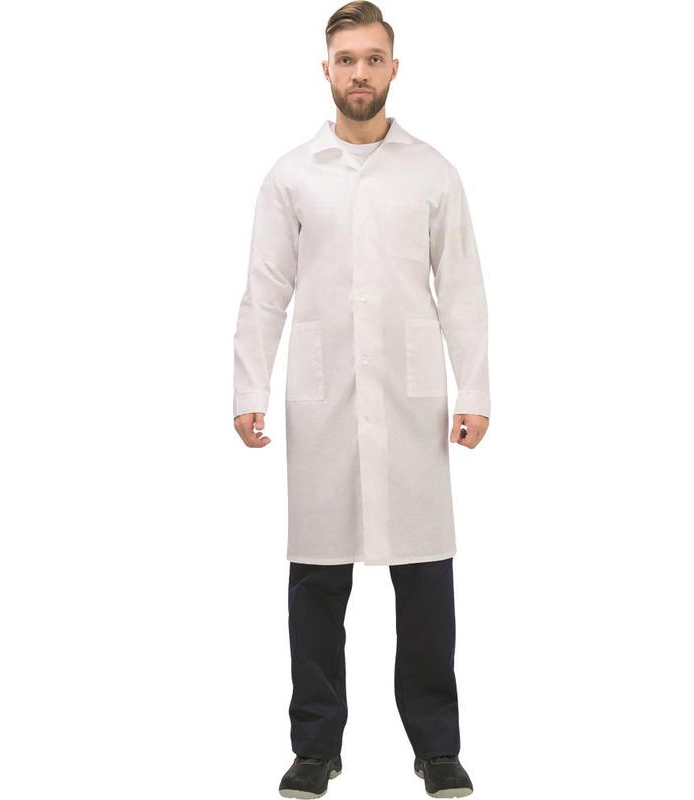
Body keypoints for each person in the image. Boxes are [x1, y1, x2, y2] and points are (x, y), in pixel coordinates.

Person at [232, 3, 489, 797]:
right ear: (326, 70)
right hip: (324, 401)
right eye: (346, 59)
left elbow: (462, 288)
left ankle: (437, 748)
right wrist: (249, 386)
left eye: (373, 58)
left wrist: (474, 388)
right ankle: (315, 746)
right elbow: (265, 291)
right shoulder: (291, 175)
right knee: (316, 582)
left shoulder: (432, 172)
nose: (359, 73)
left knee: (426, 581)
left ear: (394, 69)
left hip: (411, 403)